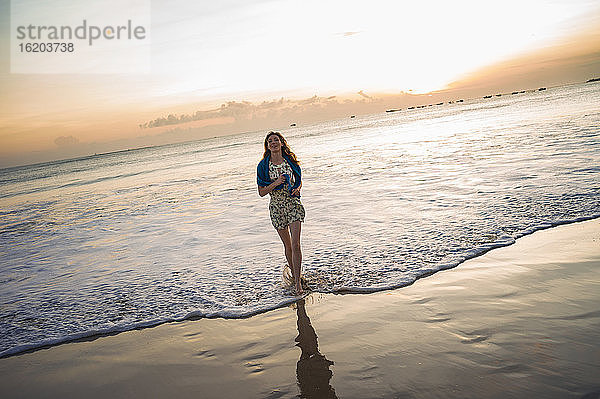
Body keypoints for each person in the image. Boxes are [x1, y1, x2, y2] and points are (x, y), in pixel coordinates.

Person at [257, 131, 305, 294]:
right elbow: (262, 192)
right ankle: (296, 275)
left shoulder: (291, 162)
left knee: (296, 243)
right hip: (276, 207)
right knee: (288, 246)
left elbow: (298, 182)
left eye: (276, 140)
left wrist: (297, 189)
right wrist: (276, 182)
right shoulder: (263, 166)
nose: (273, 143)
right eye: (270, 141)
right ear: (267, 146)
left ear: (282, 143)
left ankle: (298, 282)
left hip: (293, 204)